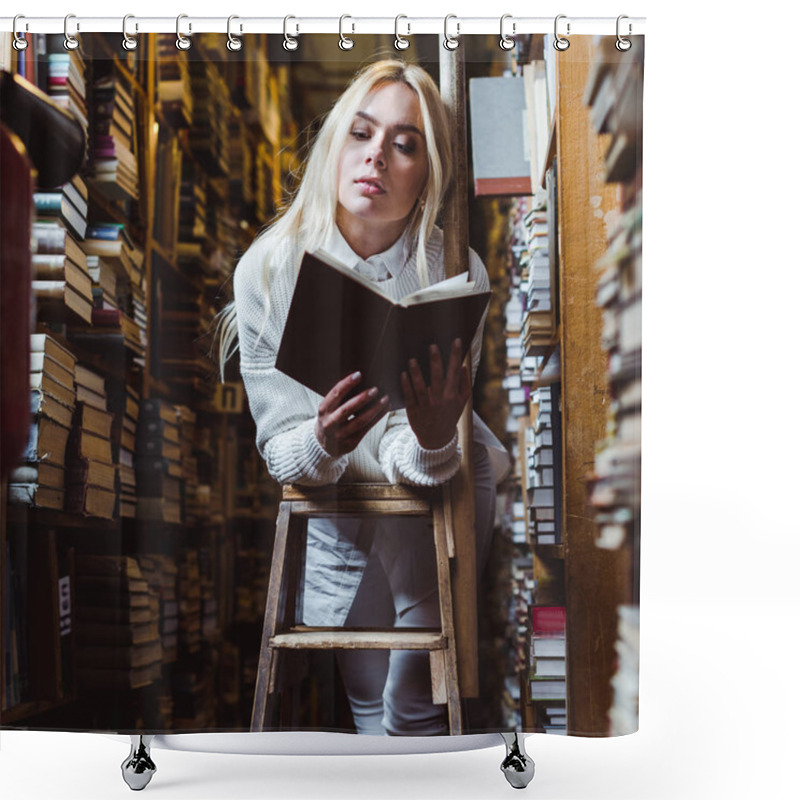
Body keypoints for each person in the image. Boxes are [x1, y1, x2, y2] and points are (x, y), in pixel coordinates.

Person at [217, 59, 510, 736]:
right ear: (334, 147)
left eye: (405, 144)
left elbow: (426, 448)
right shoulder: (269, 268)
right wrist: (323, 438)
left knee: (413, 710)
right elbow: (280, 448)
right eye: (361, 132)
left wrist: (436, 435)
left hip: (434, 497)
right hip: (338, 505)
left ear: (426, 173)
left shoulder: (455, 267)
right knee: (366, 709)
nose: (376, 154)